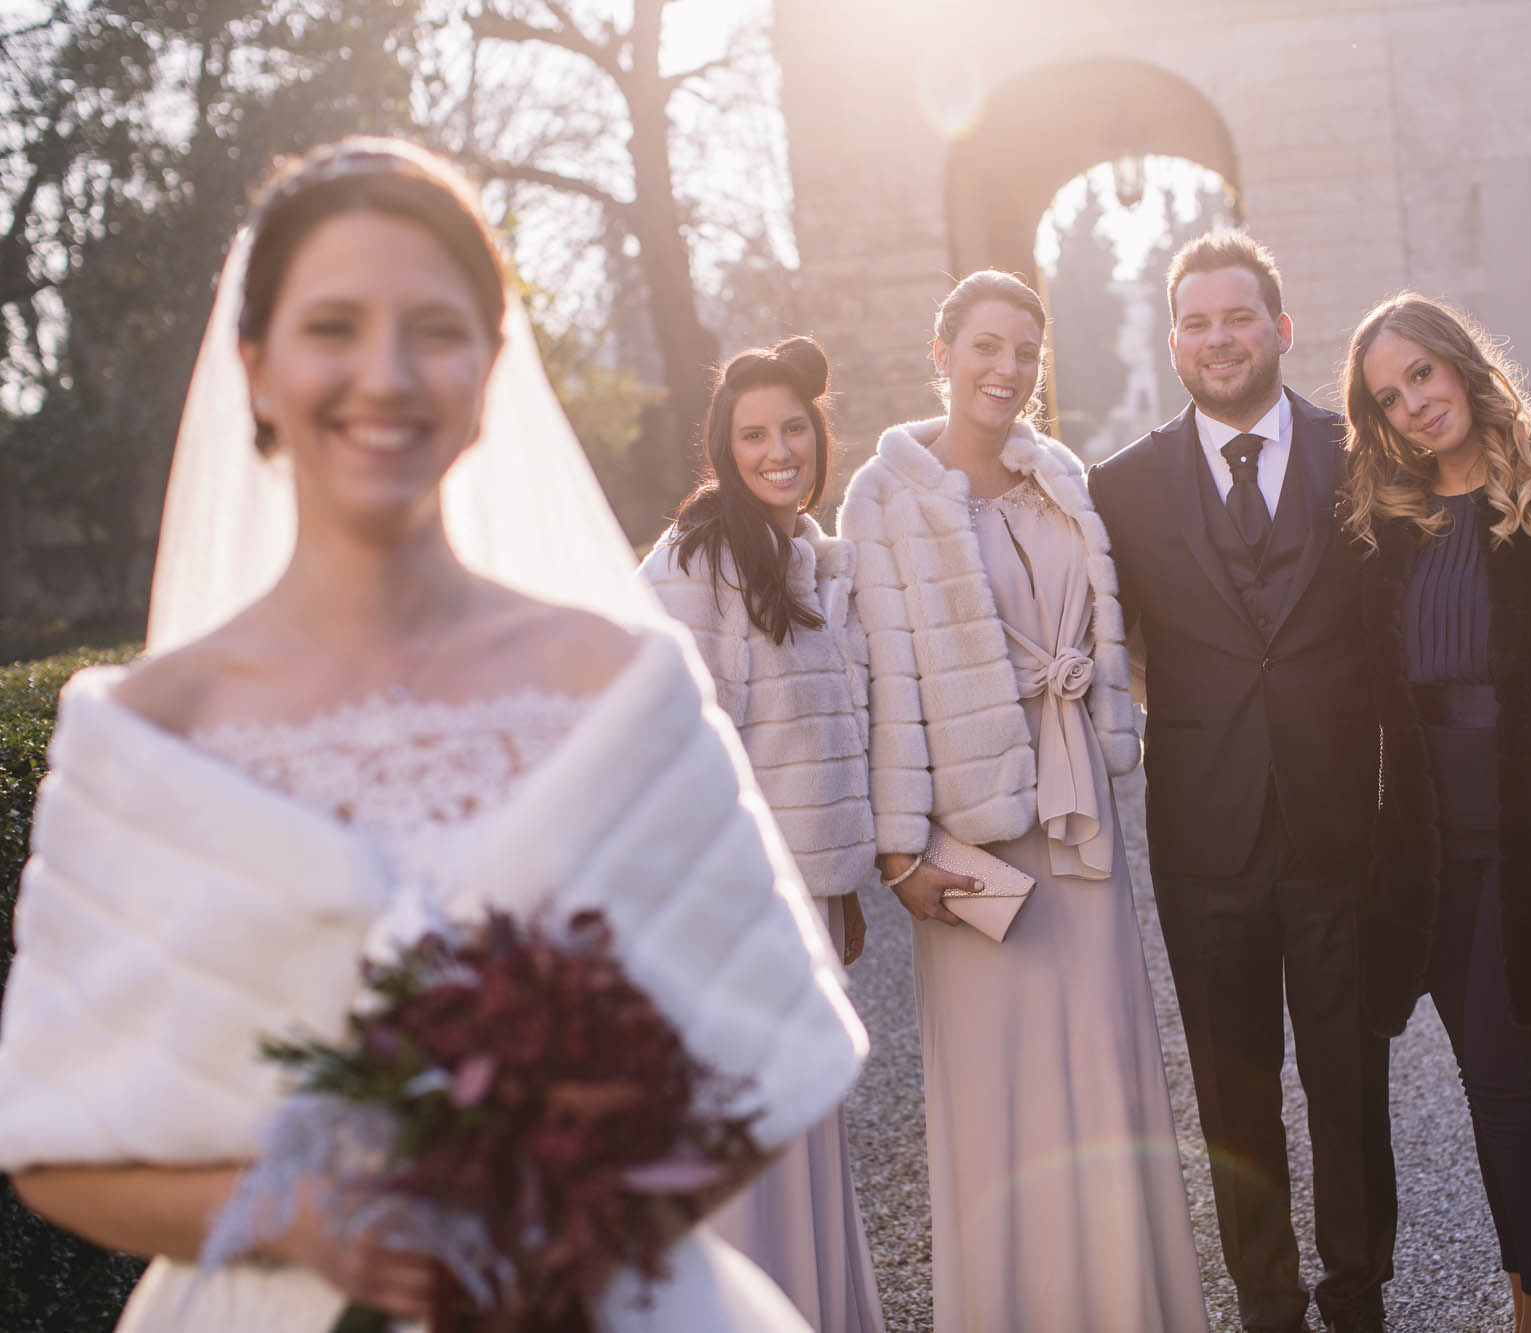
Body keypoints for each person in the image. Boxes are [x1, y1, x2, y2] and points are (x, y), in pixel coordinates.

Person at [0, 138, 866, 1333]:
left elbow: (772, 1048)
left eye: (436, 328)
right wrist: (295, 1218)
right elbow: (54, 1144)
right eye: (334, 325)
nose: (387, 372)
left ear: (488, 369)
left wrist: (570, 1221)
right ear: (255, 366)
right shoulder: (146, 731)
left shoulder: (619, 684)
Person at [837, 269, 1208, 1333]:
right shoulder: (883, 495)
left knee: (1103, 1065)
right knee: (1000, 1095)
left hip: (1075, 807)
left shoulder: (1058, 476)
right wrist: (900, 851)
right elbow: (881, 683)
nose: (1005, 369)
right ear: (943, 351)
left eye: (1024, 351)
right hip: (972, 833)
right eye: (985, 346)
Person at [1088, 232, 1393, 1333]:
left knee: (1349, 1084)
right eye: (1197, 322)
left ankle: (1358, 1293)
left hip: (1335, 833)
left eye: (1238, 317)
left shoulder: (1361, 453)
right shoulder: (1115, 489)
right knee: (1230, 1093)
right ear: (1174, 340)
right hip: (1202, 839)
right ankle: (1267, 1297)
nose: (1219, 339)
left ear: (1281, 327)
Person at [1342, 293, 1531, 1333]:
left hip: (1529, 834)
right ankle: (1528, 1289)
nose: (1412, 403)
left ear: (1459, 364)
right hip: (1425, 849)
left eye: (1421, 374)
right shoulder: (1382, 524)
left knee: (1502, 1076)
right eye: (1386, 395)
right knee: (1484, 1078)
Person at [639, 335, 885, 1333]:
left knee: (807, 1132)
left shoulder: (807, 553)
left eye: (792, 428)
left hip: (807, 904)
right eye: (752, 433)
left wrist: (842, 884)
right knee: (756, 1146)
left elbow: (818, 745)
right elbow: (669, 748)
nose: (776, 449)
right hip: (735, 911)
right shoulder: (695, 560)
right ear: (721, 445)